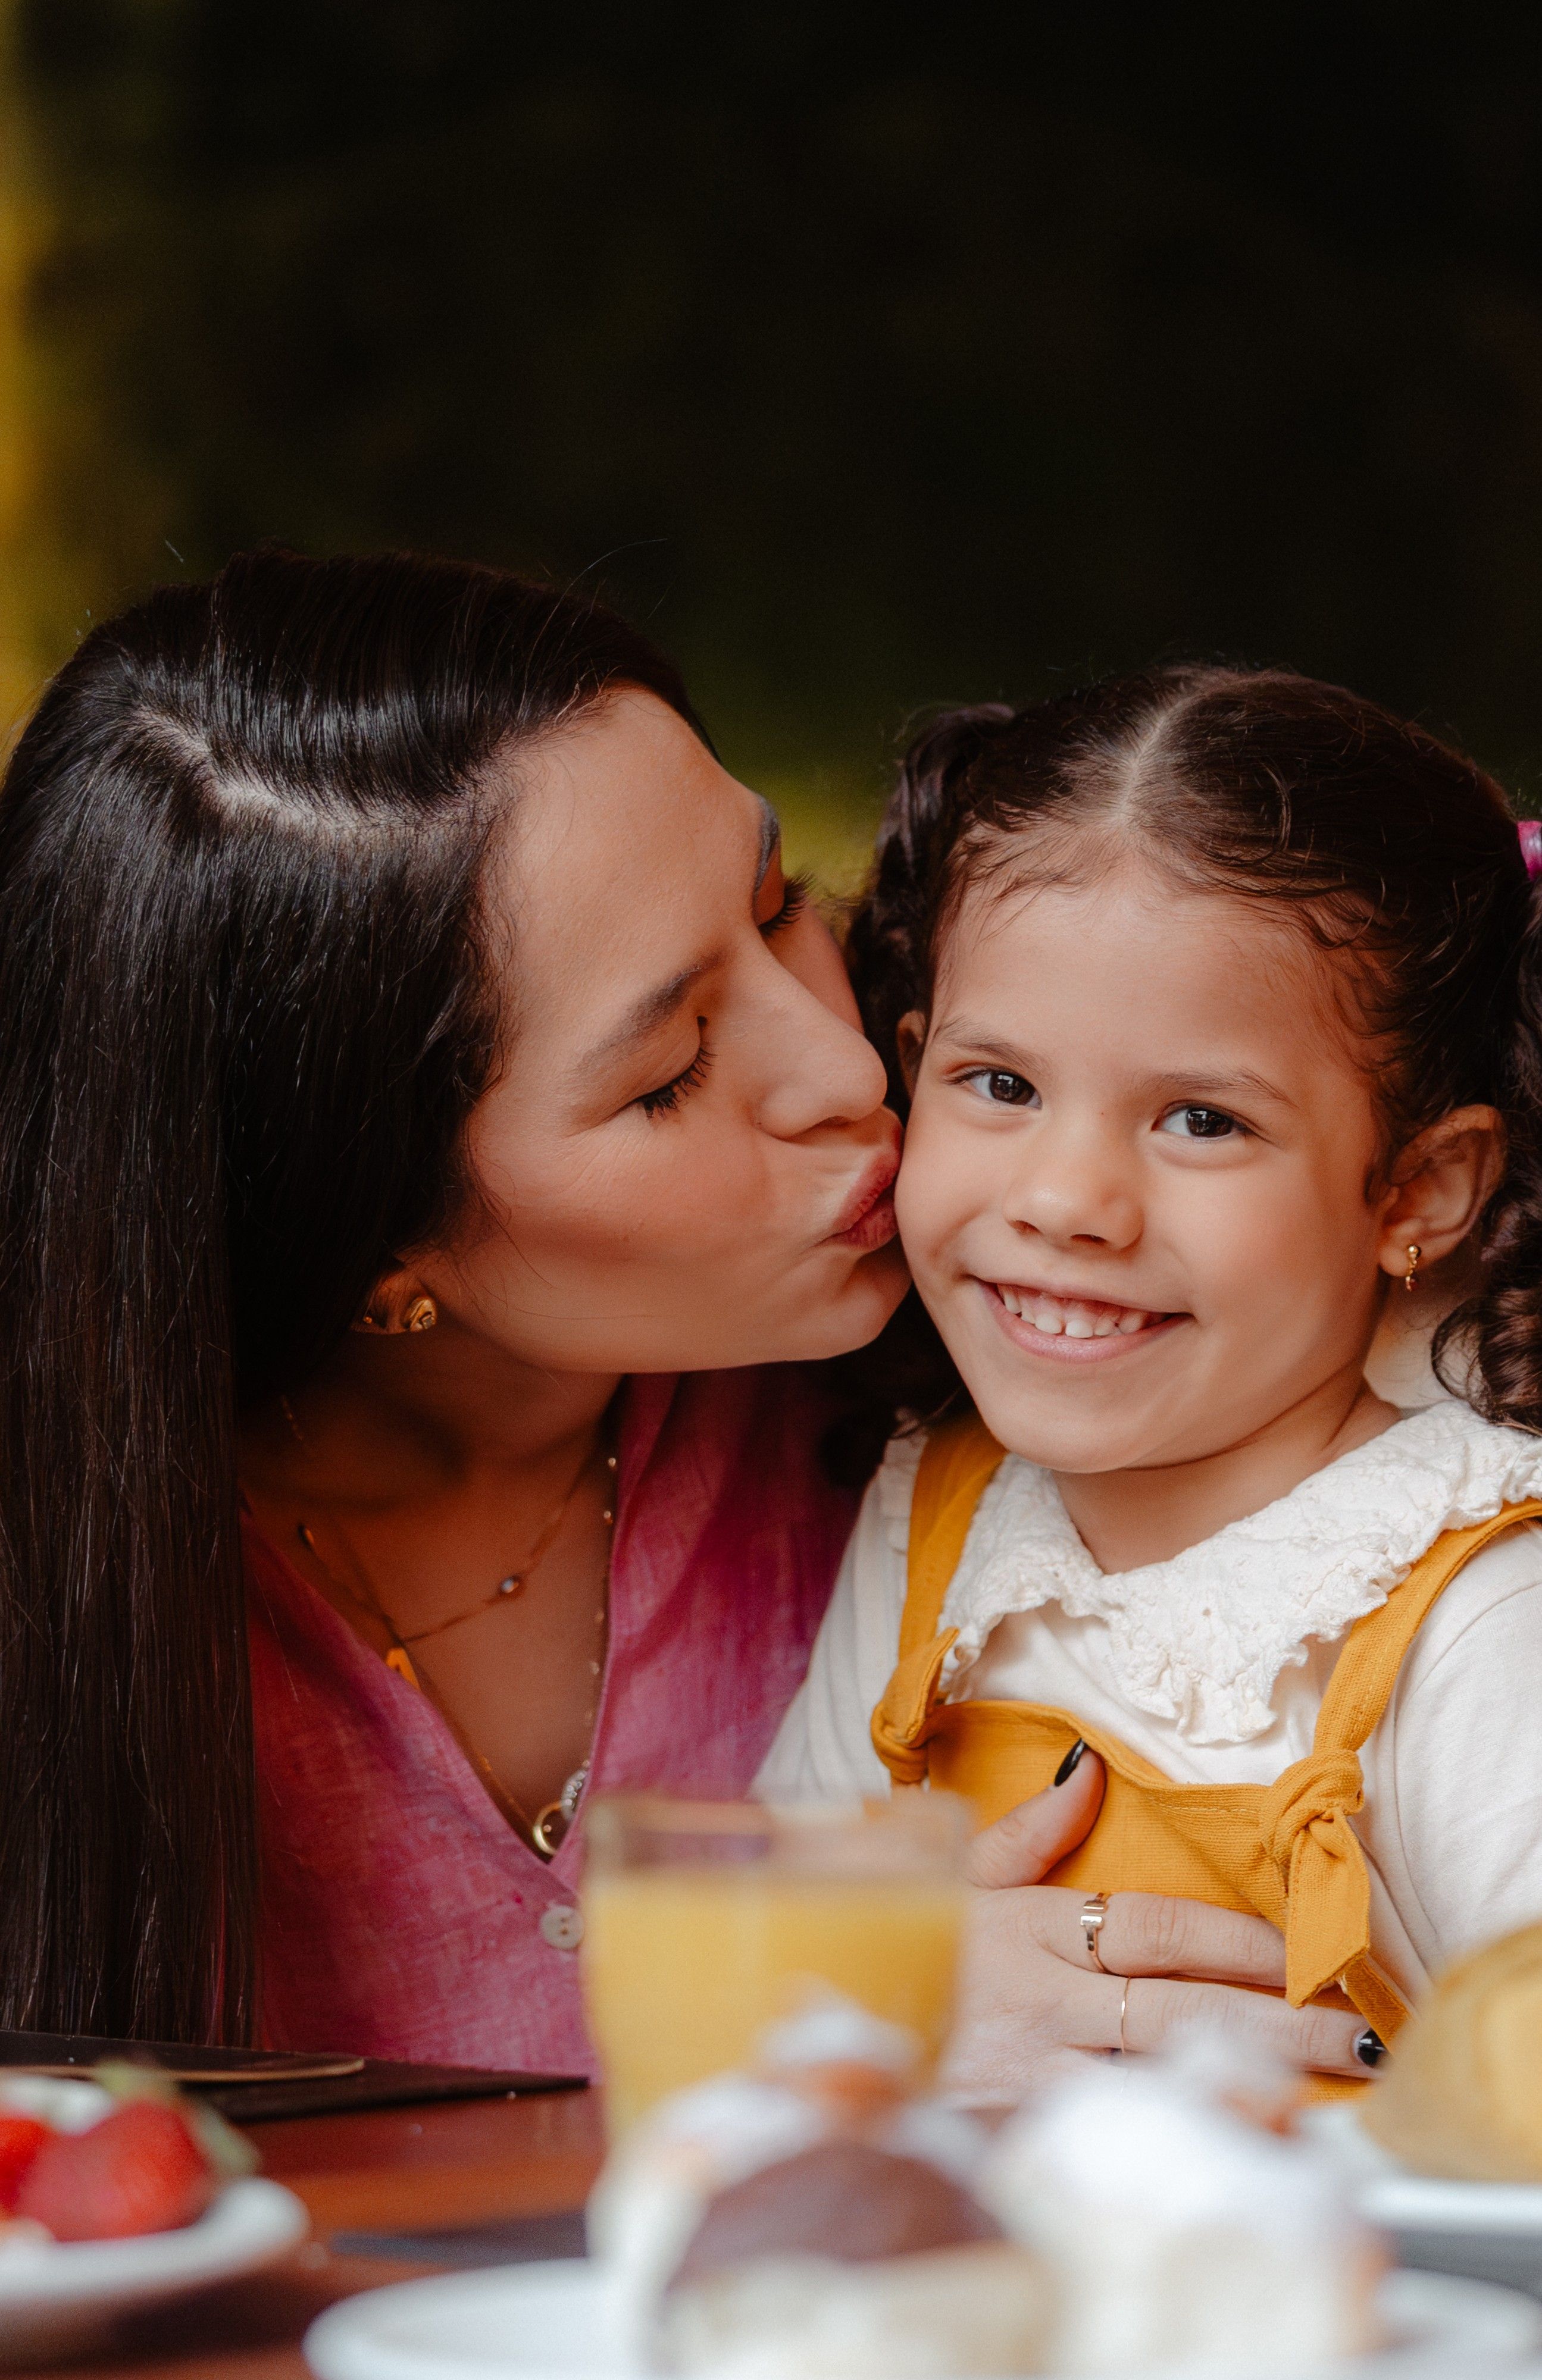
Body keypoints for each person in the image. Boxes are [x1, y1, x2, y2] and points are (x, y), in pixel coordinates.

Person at [0, 547, 910, 2069]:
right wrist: (888, 2005)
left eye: (780, 903)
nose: (848, 1072)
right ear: (375, 1250)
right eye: (672, 1071)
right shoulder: (69, 1594)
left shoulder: (1010, 1363)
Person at [760, 665, 1542, 2093]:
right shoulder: (933, 1522)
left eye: (1201, 1117)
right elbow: (768, 2001)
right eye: (999, 1084)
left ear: (1417, 1186)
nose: (1067, 1198)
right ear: (916, 1065)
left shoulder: (1477, 1626)